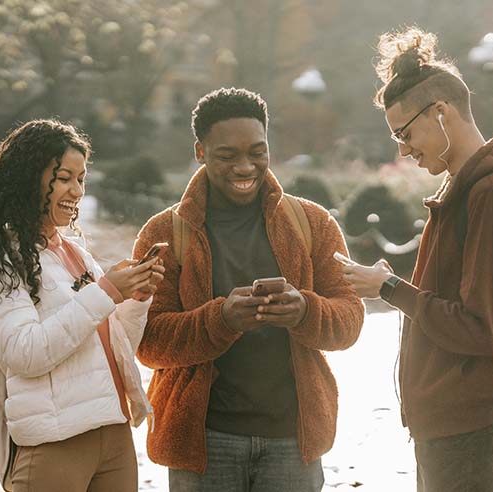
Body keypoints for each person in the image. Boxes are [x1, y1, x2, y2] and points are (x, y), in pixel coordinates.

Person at [340, 27, 493, 492]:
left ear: (441, 112)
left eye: (406, 133)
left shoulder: (490, 194)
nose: (403, 149)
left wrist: (387, 289)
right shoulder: (466, 189)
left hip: (470, 427)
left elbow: (480, 329)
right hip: (451, 423)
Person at [133, 87, 365, 491]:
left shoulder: (312, 222)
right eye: (227, 156)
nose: (245, 167)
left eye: (257, 152)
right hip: (203, 441)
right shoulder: (164, 233)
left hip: (294, 440)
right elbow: (147, 342)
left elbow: (350, 319)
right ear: (200, 152)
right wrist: (219, 320)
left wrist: (305, 311)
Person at [0, 119, 164, 491]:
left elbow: (115, 350)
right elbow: (26, 354)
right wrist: (104, 292)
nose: (76, 190)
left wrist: (135, 299)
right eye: (64, 177)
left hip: (113, 434)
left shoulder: (77, 254)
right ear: (29, 179)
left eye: (81, 178)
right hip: (55, 444)